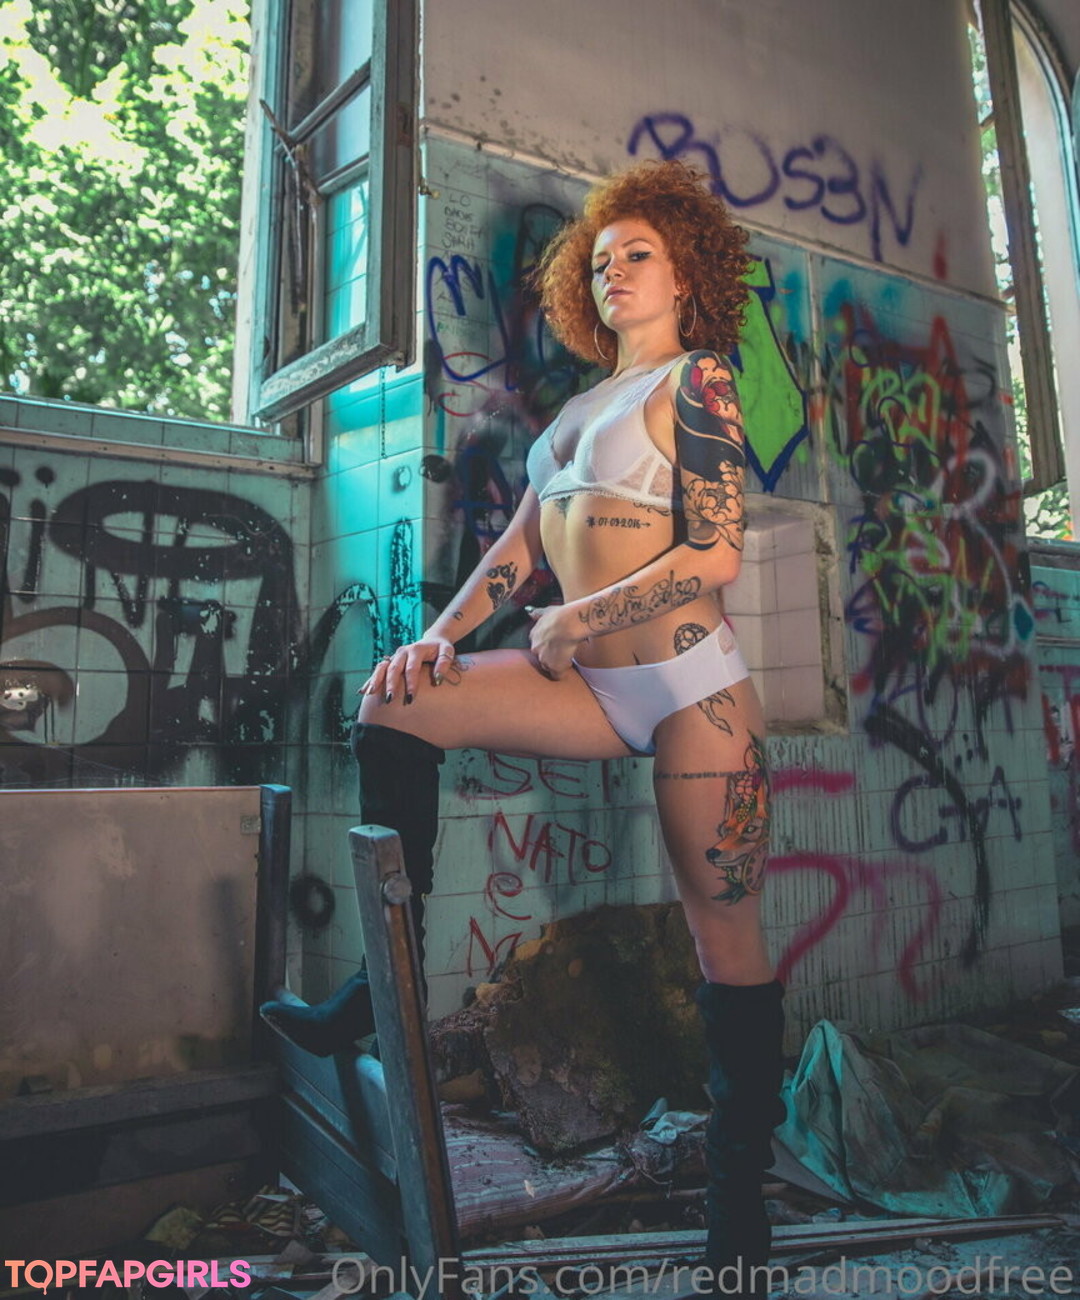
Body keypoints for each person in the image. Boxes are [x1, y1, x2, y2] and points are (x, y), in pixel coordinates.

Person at [263, 159, 785, 1294]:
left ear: (687, 273)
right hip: (589, 685)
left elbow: (714, 556)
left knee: (725, 943)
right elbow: (517, 553)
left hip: (693, 694)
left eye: (638, 254)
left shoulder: (698, 380)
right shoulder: (576, 413)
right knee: (394, 702)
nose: (614, 272)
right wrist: (435, 638)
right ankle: (381, 991)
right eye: (599, 261)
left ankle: (739, 1205)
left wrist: (582, 617)